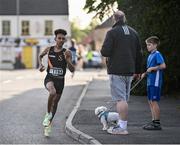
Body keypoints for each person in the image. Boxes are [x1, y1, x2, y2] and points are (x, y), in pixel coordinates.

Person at [101, 10, 143, 135]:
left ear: (114, 19)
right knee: (124, 99)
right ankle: (121, 124)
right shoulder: (134, 32)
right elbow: (139, 53)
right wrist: (138, 71)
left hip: (117, 70)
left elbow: (105, 52)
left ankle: (122, 128)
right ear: (124, 19)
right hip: (130, 70)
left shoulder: (112, 32)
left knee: (120, 100)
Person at [38, 29, 75, 137]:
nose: (61, 40)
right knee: (52, 92)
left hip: (60, 81)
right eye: (59, 38)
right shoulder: (49, 49)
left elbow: (72, 70)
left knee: (55, 104)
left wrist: (67, 61)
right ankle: (47, 115)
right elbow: (40, 56)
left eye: (63, 38)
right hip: (49, 78)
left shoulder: (67, 52)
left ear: (65, 40)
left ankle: (48, 124)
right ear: (55, 39)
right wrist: (41, 65)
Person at [141, 36, 166, 130]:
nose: (147, 46)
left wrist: (152, 68)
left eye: (149, 44)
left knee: (154, 102)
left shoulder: (157, 54)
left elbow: (163, 66)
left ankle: (157, 123)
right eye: (147, 44)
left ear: (155, 45)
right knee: (150, 101)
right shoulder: (150, 55)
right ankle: (153, 121)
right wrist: (145, 73)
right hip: (150, 82)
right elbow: (150, 69)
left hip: (155, 82)